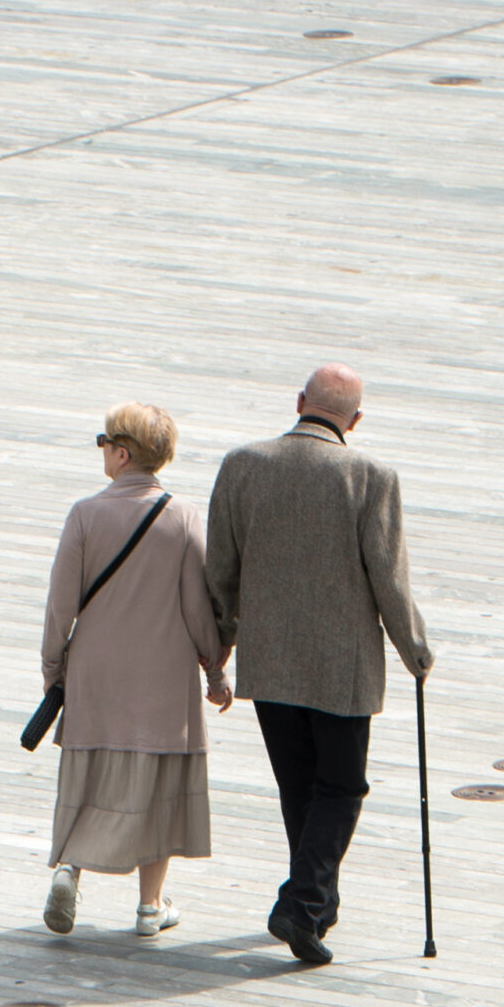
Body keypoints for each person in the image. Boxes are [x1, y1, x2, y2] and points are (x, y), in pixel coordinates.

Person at [205, 364, 432, 965]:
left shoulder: (242, 464)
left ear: (301, 400)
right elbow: (389, 578)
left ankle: (315, 905)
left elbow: (220, 567)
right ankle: (302, 903)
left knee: (299, 785)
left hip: (270, 658)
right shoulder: (371, 477)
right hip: (341, 664)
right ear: (355, 420)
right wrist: (415, 649)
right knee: (341, 785)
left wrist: (220, 641)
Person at [39, 402, 233, 938]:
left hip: (96, 674)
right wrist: (215, 670)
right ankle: (150, 907)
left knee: (89, 775)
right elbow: (197, 606)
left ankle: (70, 868)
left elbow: (60, 605)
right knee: (157, 788)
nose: (101, 449)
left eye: (104, 441)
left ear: (122, 454)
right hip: (163, 679)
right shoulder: (182, 515)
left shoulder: (84, 514)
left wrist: (53, 667)